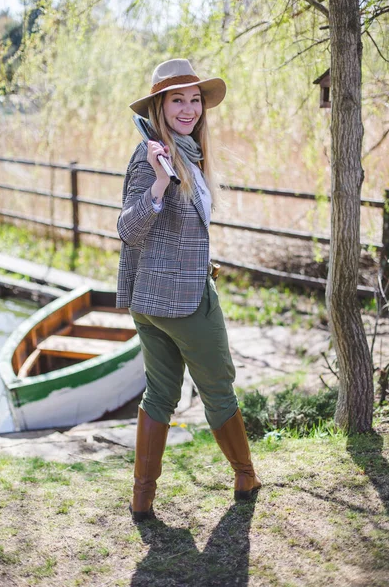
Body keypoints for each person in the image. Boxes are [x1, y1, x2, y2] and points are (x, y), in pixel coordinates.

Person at [117, 59, 261, 522]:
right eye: (177, 99)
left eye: (194, 98)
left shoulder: (188, 152)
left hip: (151, 303)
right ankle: (245, 474)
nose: (189, 108)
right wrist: (159, 184)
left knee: (159, 394)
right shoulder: (151, 158)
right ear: (159, 105)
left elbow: (179, 231)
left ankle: (142, 498)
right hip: (183, 304)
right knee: (219, 387)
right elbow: (128, 230)